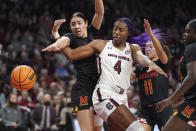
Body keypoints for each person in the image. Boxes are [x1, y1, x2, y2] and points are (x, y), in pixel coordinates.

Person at [43, 17, 167, 131]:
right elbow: (72, 54)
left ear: (128, 33)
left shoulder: (133, 48)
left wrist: (150, 63)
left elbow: (140, 57)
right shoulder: (101, 44)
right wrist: (57, 37)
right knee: (137, 129)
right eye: (115, 29)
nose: (116, 32)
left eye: (121, 30)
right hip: (104, 96)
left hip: (121, 99)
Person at [45, 1, 104, 130]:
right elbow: (63, 41)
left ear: (86, 24)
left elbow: (99, 13)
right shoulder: (70, 37)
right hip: (83, 89)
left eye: (79, 23)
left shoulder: (91, 33)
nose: (76, 26)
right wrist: (56, 44)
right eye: (73, 24)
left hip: (100, 89)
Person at [156, 19, 196, 131]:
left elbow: (192, 77)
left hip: (193, 105)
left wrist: (171, 99)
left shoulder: (192, 47)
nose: (184, 34)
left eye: (189, 32)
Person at [134, 19, 173, 131]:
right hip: (145, 110)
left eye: (151, 47)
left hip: (163, 108)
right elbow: (130, 77)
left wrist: (150, 34)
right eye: (146, 47)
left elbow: (161, 52)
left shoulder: (162, 63)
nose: (147, 49)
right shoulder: (140, 67)